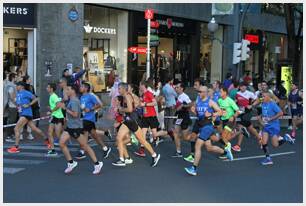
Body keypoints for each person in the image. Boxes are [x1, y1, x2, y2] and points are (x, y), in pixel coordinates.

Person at [184, 86, 233, 176]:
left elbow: (220, 112)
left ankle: (194, 168)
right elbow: (199, 113)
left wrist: (211, 114)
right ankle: (226, 152)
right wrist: (194, 111)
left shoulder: (211, 102)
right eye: (198, 91)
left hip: (207, 126)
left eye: (200, 91)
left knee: (198, 146)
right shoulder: (198, 101)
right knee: (209, 147)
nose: (198, 93)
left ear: (205, 93)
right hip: (200, 124)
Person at [112, 82, 161, 167]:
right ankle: (123, 159)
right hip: (127, 121)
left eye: (119, 88)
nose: (118, 90)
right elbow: (136, 104)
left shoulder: (127, 96)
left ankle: (154, 155)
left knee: (142, 141)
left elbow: (130, 109)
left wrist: (121, 109)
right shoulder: (126, 96)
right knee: (119, 138)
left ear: (124, 89)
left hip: (133, 121)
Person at [59, 85, 103, 174]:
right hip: (70, 127)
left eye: (68, 89)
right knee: (61, 143)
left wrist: (65, 108)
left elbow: (75, 115)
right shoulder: (72, 100)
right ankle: (71, 162)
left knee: (85, 146)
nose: (66, 91)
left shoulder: (74, 101)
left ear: (73, 91)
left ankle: (97, 164)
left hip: (76, 128)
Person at [7, 82, 49, 153]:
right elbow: (18, 104)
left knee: (16, 128)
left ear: (21, 86)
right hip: (22, 114)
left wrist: (29, 104)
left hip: (26, 113)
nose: (16, 87)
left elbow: (36, 98)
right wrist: (14, 102)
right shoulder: (18, 94)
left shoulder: (26, 92)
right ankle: (47, 139)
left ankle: (16, 147)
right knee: (34, 128)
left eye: (17, 86)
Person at [77, 82, 111, 160]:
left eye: (81, 86)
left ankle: (82, 151)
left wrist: (90, 109)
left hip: (89, 118)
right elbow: (82, 107)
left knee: (84, 134)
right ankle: (105, 148)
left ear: (86, 88)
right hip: (85, 118)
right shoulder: (82, 97)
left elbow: (100, 104)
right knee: (94, 135)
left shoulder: (91, 96)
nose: (80, 87)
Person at [259, 91, 295, 165]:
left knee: (275, 145)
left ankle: (285, 138)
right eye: (262, 96)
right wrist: (261, 121)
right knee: (264, 142)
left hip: (273, 126)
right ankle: (268, 159)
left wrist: (271, 118)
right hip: (266, 126)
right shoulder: (262, 104)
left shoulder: (273, 104)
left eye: (264, 96)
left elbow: (281, 113)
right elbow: (261, 114)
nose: (262, 98)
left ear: (269, 97)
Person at [232, 82, 262, 152]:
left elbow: (258, 100)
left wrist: (251, 105)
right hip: (241, 112)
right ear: (239, 87)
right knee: (250, 128)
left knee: (241, 126)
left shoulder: (249, 93)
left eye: (245, 86)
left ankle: (238, 146)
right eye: (242, 86)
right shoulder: (237, 93)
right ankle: (260, 139)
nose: (243, 88)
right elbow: (236, 101)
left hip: (248, 112)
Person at [217, 87, 240, 159]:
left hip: (230, 120)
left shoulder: (230, 100)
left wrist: (233, 116)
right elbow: (220, 110)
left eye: (220, 92)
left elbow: (238, 111)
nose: (219, 93)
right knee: (225, 138)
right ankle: (240, 131)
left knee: (224, 137)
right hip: (223, 120)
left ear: (225, 92)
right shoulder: (219, 100)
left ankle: (227, 151)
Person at [172, 82, 193, 157]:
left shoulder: (185, 96)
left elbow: (191, 104)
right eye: (176, 87)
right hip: (179, 117)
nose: (176, 88)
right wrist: (175, 107)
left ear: (181, 88)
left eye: (177, 87)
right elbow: (178, 107)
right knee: (175, 133)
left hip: (184, 117)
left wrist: (183, 106)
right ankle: (178, 152)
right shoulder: (178, 96)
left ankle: (196, 139)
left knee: (185, 137)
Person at [46, 83, 65, 156]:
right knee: (49, 133)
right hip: (54, 117)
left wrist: (51, 111)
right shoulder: (51, 96)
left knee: (58, 134)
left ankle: (64, 148)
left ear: (51, 89)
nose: (46, 88)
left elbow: (58, 105)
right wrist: (51, 109)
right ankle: (53, 149)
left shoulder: (53, 96)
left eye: (48, 87)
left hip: (58, 117)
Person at [4, 73, 18, 143]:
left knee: (12, 121)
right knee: (11, 121)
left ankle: (11, 134)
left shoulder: (11, 85)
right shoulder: (11, 86)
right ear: (13, 78)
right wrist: (17, 104)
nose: (17, 78)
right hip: (12, 106)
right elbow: (12, 97)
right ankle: (8, 136)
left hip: (12, 105)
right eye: (16, 77)